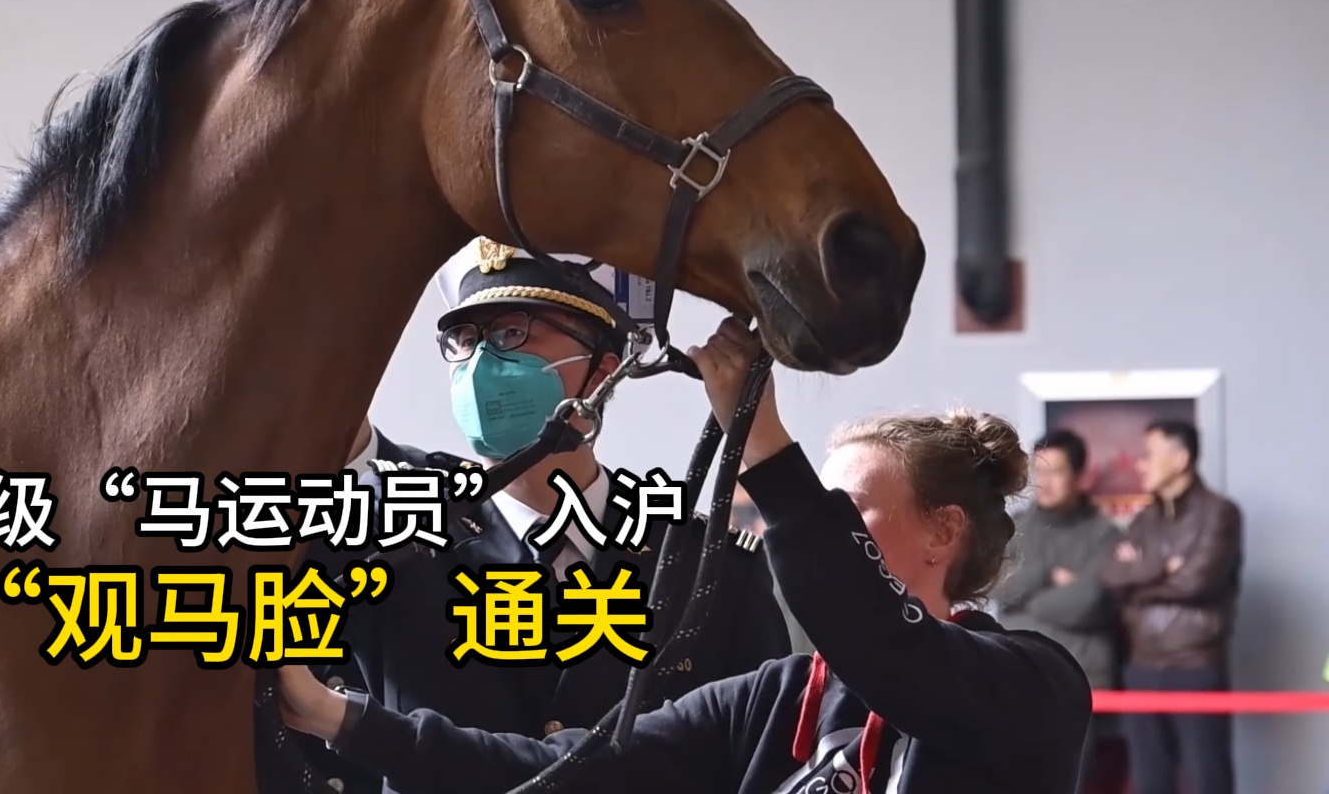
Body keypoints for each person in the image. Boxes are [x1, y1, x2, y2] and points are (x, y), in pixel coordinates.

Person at [278, 319, 1093, 793]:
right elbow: (562, 772)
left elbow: (882, 643)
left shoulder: (1032, 685)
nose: (813, 528)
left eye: (844, 509)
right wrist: (338, 716)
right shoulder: (776, 699)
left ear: (943, 532)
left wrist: (764, 447)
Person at [281, 241, 791, 794]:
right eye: (465, 340)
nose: (481, 362)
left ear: (600, 372)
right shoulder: (390, 530)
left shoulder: (708, 567)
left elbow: (766, 758)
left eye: (512, 333)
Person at [1098, 419, 1243, 794]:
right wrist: (1163, 567)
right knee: (1149, 782)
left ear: (1180, 459)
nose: (1140, 464)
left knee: (1207, 779)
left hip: (1195, 665)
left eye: (1149, 455)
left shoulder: (1219, 513)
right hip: (1141, 665)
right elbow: (1111, 575)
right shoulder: (1144, 519)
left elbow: (1196, 582)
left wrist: (1138, 576)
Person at [995, 428, 1121, 793]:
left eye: (1056, 472)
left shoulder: (1105, 534)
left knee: (1070, 783)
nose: (1044, 482)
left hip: (1080, 678)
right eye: (1039, 472)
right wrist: (1049, 576)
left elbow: (1091, 602)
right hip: (1016, 674)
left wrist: (1029, 599)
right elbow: (997, 586)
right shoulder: (1013, 528)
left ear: (1080, 476)